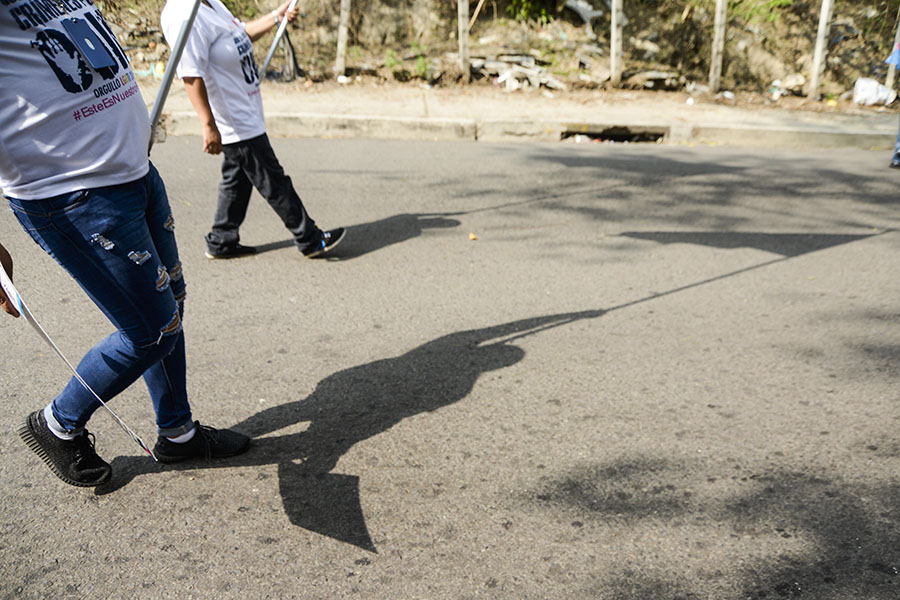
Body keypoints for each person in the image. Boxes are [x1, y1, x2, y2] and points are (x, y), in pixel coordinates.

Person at [1, 4, 250, 487]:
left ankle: (177, 433)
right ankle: (57, 423)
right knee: (150, 331)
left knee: (170, 307)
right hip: (73, 197)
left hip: (134, 173)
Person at [161, 0, 345, 259]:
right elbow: (191, 75)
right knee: (273, 180)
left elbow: (241, 34)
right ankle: (309, 239)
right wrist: (209, 125)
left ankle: (222, 240)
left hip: (244, 105)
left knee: (238, 175)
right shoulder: (183, 14)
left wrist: (275, 16)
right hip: (232, 117)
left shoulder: (209, 3)